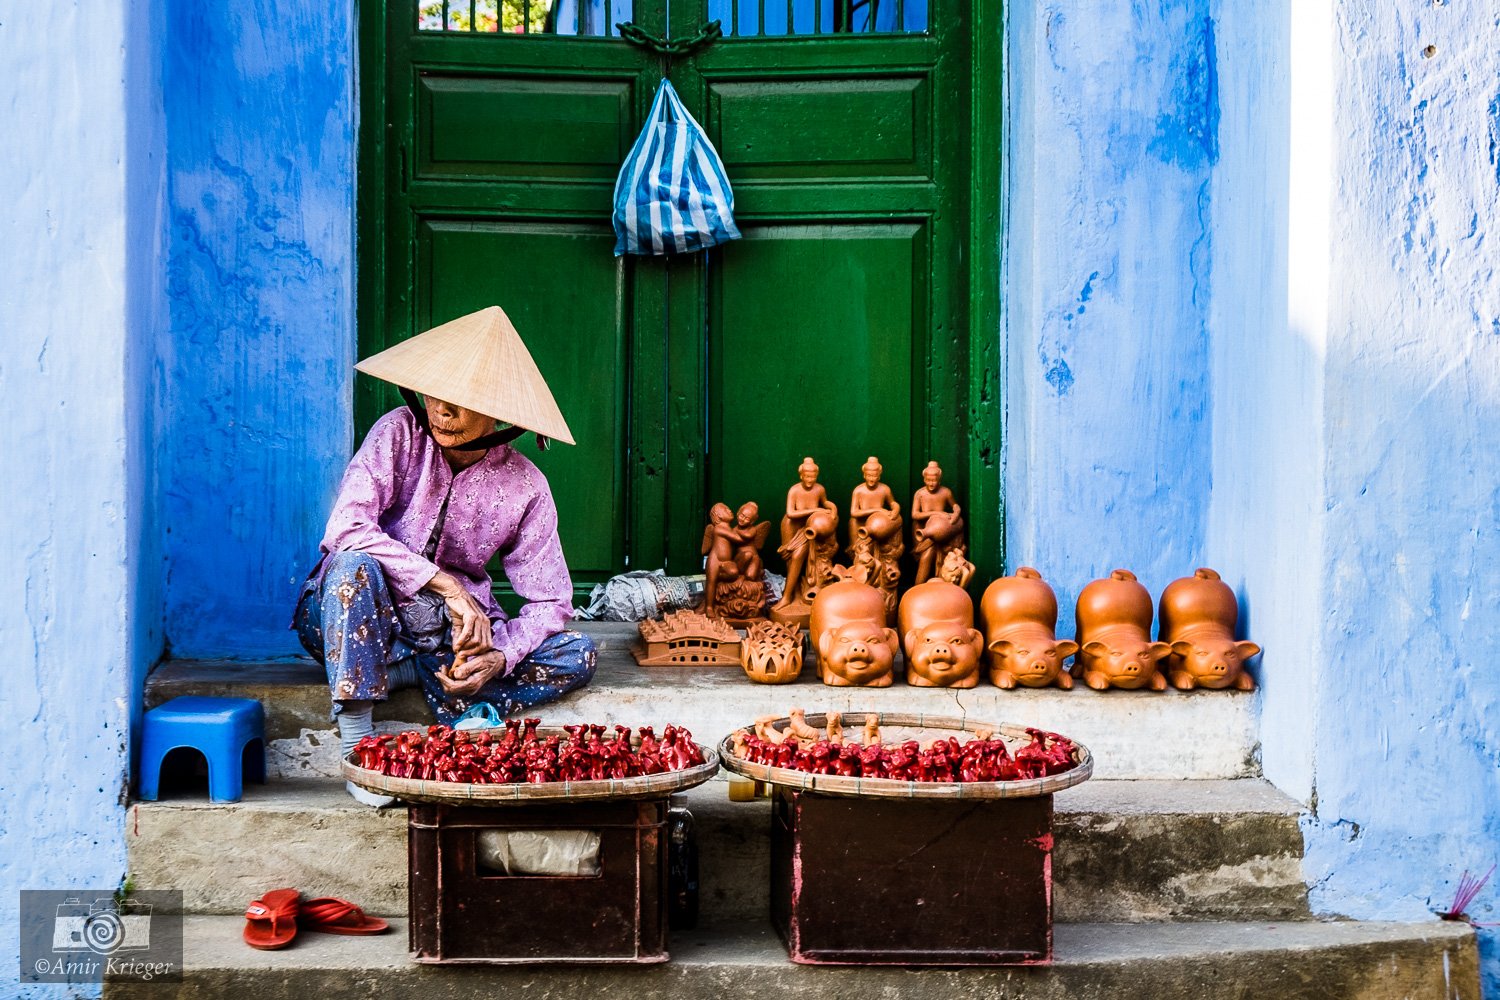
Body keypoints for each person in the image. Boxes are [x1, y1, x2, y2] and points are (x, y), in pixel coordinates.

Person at [293, 306, 597, 805]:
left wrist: (499, 656)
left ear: (502, 415)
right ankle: (358, 745)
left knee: (577, 652)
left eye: (463, 400)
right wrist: (447, 585)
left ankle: (417, 674)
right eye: (437, 392)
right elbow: (346, 528)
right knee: (352, 565)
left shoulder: (526, 486)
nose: (443, 410)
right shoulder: (398, 433)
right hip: (352, 615)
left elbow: (551, 602)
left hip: (443, 638)